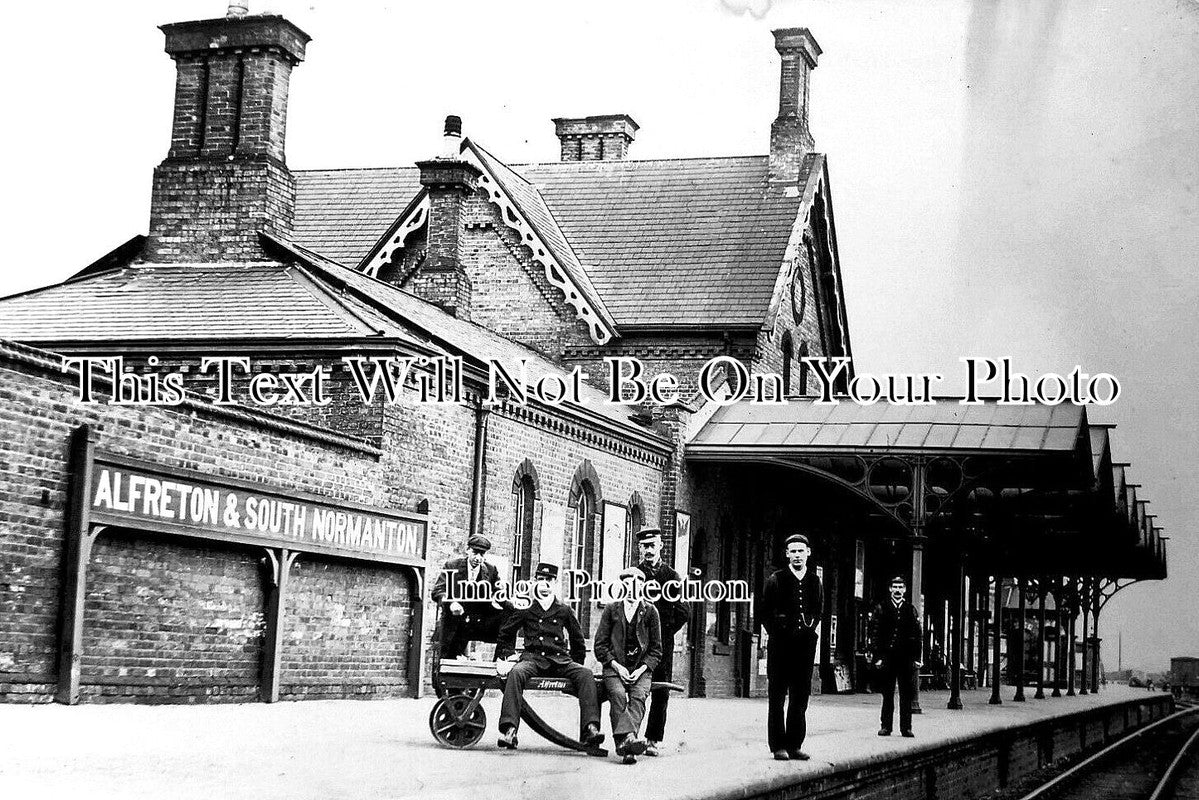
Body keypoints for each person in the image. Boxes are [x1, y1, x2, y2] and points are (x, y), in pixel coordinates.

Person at [493, 561, 604, 752]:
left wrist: (574, 665)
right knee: (516, 673)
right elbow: (505, 632)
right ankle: (509, 731)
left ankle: (591, 729)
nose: (543, 584)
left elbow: (578, 640)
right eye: (540, 579)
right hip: (533, 659)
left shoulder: (564, 610)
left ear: (554, 583)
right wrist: (506, 656)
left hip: (560, 660)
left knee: (585, 674)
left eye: (548, 580)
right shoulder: (526, 608)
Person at [760, 533, 823, 761]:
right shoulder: (775, 579)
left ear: (808, 553)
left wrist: (809, 628)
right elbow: (765, 613)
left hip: (804, 649)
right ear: (787, 554)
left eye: (801, 550)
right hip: (780, 647)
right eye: (793, 551)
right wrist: (778, 631)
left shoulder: (815, 581)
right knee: (777, 696)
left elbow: (817, 611)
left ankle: (795, 744)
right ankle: (778, 745)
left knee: (800, 696)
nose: (797, 555)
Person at [594, 568, 663, 764]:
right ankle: (629, 741)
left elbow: (656, 650)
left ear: (643, 586)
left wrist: (641, 669)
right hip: (615, 668)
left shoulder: (651, 612)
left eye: (637, 584)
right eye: (628, 584)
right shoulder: (611, 609)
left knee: (639, 696)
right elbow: (600, 645)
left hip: (641, 669)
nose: (633, 588)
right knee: (616, 694)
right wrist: (617, 666)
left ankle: (626, 743)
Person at [635, 527, 688, 757]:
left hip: (662, 644)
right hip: (635, 643)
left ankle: (652, 739)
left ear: (661, 547)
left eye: (652, 545)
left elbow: (684, 611)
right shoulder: (633, 575)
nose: (649, 550)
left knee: (661, 689)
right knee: (633, 687)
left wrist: (665, 631)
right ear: (640, 548)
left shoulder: (672, 577)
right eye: (645, 546)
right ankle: (629, 735)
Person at [430, 534, 504, 661]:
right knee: (446, 662)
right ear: (468, 550)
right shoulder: (452, 566)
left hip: (475, 625)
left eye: (482, 554)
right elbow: (438, 590)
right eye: (475, 552)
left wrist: (511, 603)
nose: (478, 558)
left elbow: (499, 593)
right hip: (453, 623)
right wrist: (452, 603)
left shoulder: (491, 570)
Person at [869, 575, 922, 738]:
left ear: (905, 590)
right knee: (887, 693)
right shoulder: (881, 608)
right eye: (895, 587)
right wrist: (877, 656)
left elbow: (917, 634)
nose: (898, 590)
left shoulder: (910, 609)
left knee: (906, 694)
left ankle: (906, 728)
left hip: (905, 658)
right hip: (887, 657)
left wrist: (917, 657)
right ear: (890, 589)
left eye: (901, 587)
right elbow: (875, 633)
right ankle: (886, 726)